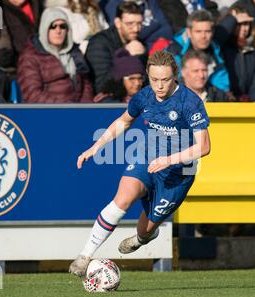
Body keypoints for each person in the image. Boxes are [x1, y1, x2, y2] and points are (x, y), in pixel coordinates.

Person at [69, 50, 211, 277]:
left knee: (145, 230)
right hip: (148, 158)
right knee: (122, 198)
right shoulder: (144, 96)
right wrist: (97, 146)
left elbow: (203, 147)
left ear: (175, 75)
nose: (160, 86)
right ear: (148, 76)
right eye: (155, 80)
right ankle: (85, 255)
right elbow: (124, 121)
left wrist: (169, 160)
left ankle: (142, 238)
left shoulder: (190, 103)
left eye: (165, 80)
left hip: (178, 173)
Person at [17, 7, 94, 103]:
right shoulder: (30, 57)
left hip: (77, 110)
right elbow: (33, 94)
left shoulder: (74, 52)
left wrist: (85, 108)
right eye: (53, 26)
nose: (58, 31)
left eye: (63, 26)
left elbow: (86, 83)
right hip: (47, 112)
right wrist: (62, 108)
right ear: (45, 29)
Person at [85, 1, 146, 93]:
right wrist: (125, 56)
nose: (136, 29)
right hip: (108, 101)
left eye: (139, 23)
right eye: (130, 24)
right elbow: (101, 85)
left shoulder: (138, 43)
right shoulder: (99, 43)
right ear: (117, 22)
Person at [166, 9, 230, 92]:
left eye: (207, 31)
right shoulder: (173, 52)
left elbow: (222, 85)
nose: (203, 36)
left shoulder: (215, 51)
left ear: (213, 32)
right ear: (189, 32)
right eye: (198, 31)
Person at [215, 4, 255, 101]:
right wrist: (232, 19)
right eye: (239, 24)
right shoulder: (221, 48)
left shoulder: (252, 50)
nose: (244, 29)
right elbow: (217, 38)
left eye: (246, 24)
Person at [103, 0, 173, 50]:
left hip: (167, 45)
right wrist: (155, 25)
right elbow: (128, 38)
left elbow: (166, 29)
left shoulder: (150, 2)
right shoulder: (112, 5)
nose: (136, 29)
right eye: (130, 23)